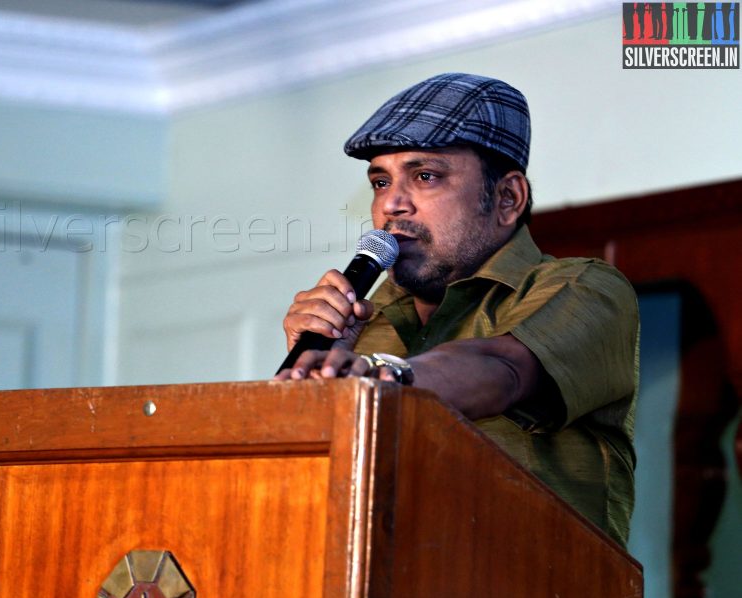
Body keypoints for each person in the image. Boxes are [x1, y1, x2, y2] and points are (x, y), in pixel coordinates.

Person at [274, 73, 639, 547]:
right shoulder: (361, 323)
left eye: (425, 176)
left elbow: (502, 367)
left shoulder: (586, 288)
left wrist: (379, 377)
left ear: (507, 198)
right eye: (380, 181)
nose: (390, 204)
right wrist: (313, 375)